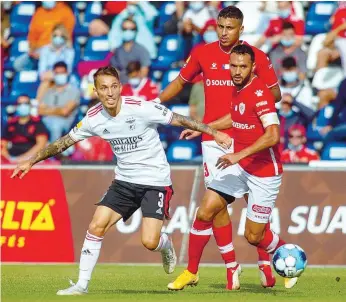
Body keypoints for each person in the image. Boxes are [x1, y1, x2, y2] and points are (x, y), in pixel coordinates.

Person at [11, 66, 232, 296]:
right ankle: (81, 285)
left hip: (154, 180)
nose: (110, 93)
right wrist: (31, 161)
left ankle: (164, 244)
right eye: (104, 88)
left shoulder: (141, 108)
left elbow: (179, 119)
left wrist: (214, 133)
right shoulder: (93, 119)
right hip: (124, 181)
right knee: (96, 226)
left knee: (149, 241)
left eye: (114, 86)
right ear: (96, 91)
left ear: (120, 87)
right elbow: (64, 142)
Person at [156, 6, 282, 289]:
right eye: (220, 26)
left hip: (247, 137)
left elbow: (275, 94)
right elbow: (179, 82)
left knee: (253, 205)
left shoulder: (255, 57)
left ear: (241, 29)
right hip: (213, 138)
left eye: (230, 27)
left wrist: (253, 102)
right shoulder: (203, 52)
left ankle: (266, 263)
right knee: (213, 206)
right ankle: (228, 267)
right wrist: (154, 104)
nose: (224, 33)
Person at [170, 44, 300, 291]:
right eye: (234, 66)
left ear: (253, 67)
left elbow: (273, 135)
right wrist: (202, 128)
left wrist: (238, 154)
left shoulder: (261, 94)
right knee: (205, 211)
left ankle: (287, 253)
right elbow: (235, 116)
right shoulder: (238, 90)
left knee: (254, 236)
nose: (237, 71)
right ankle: (191, 271)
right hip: (241, 166)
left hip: (263, 173)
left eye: (243, 66)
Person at [13, 1, 75, 72]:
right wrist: (33, 51)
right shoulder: (39, 12)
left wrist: (49, 52)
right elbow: (32, 36)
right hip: (39, 50)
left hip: (57, 49)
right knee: (18, 64)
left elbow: (66, 36)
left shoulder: (66, 11)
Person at [39, 61, 80, 142]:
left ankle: (54, 153)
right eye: (57, 73)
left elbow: (65, 112)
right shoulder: (49, 91)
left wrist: (48, 110)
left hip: (65, 122)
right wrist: (58, 110)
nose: (60, 75)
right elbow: (40, 110)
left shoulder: (74, 91)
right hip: (47, 120)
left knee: (56, 125)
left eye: (62, 73)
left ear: (67, 73)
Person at [1, 95, 49, 163]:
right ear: (16, 106)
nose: (23, 106)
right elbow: (3, 144)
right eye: (20, 104)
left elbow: (41, 144)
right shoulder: (11, 123)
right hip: (12, 157)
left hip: (32, 157)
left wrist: (23, 159)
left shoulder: (37, 123)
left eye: (26, 103)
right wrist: (9, 159)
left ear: (30, 106)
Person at [36, 23, 75, 101]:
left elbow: (68, 70)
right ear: (52, 36)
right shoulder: (45, 50)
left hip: (64, 78)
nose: (58, 38)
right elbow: (41, 73)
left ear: (65, 37)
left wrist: (52, 74)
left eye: (61, 36)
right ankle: (38, 106)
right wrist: (54, 75)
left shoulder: (70, 51)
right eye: (55, 35)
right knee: (46, 83)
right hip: (48, 80)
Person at [110, 19, 151, 83]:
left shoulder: (142, 50)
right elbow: (114, 72)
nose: (128, 32)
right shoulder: (117, 51)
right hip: (121, 87)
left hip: (136, 87)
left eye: (132, 29)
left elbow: (144, 73)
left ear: (136, 31)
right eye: (125, 29)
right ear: (121, 30)